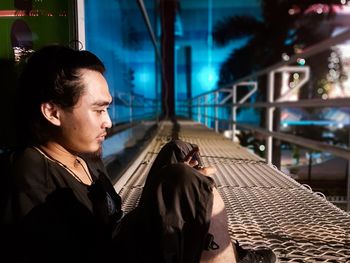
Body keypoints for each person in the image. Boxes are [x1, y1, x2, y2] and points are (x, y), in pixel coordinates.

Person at [0, 45, 276, 263]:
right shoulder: (30, 173)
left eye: (107, 109)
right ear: (52, 112)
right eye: (98, 110)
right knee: (183, 180)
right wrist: (177, 191)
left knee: (177, 151)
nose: (107, 121)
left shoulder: (82, 152)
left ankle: (223, 248)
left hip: (116, 243)